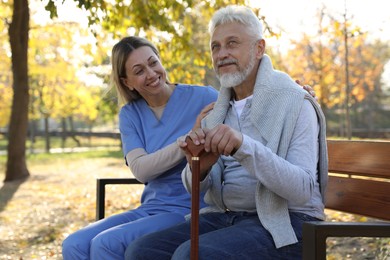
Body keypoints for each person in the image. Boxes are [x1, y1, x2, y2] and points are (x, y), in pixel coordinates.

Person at [125, 5, 328, 260]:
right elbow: (193, 186)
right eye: (216, 46)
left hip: (289, 222)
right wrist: (199, 166)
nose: (222, 54)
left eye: (232, 43)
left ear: (259, 48)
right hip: (228, 216)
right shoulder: (216, 111)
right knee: (141, 252)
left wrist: (243, 147)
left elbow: (303, 190)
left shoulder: (295, 102)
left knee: (191, 255)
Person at [61, 36, 218, 259]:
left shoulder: (205, 97)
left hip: (189, 208)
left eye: (153, 63)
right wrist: (186, 140)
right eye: (139, 70)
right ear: (127, 82)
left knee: (105, 243)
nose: (151, 73)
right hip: (151, 208)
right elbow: (141, 170)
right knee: (74, 244)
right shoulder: (130, 114)